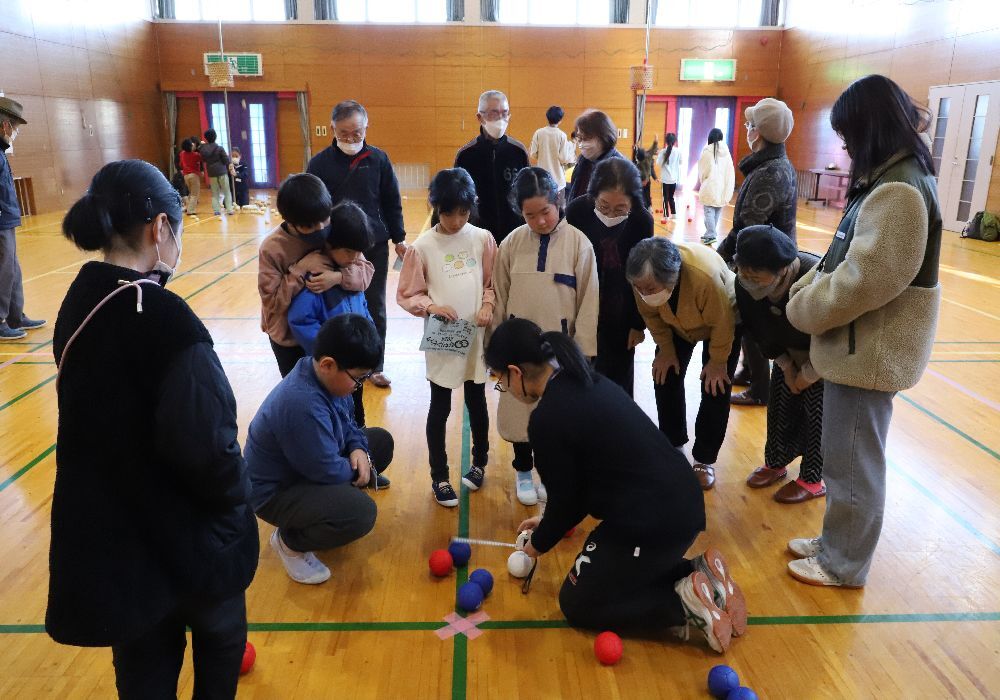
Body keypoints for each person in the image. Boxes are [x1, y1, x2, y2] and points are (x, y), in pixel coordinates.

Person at [49, 159, 258, 697]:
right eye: (178, 229)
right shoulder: (164, 318)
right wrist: (238, 497)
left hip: (118, 536)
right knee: (220, 640)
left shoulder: (79, 300)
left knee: (143, 667)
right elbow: (208, 447)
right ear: (160, 229)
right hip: (184, 533)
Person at [486, 319, 746, 654]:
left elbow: (566, 501)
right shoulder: (586, 380)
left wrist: (537, 544)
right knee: (616, 574)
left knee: (578, 603)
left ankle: (684, 605)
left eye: (500, 382)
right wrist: (547, 522)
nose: (504, 389)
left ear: (515, 372)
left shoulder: (547, 418)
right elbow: (580, 487)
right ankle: (701, 576)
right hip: (680, 506)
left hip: (651, 523)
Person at [785, 74, 941, 588]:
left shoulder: (900, 191)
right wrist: (807, 284)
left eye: (850, 136)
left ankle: (843, 563)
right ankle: (836, 543)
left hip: (870, 354)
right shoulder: (889, 178)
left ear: (871, 129)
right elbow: (842, 255)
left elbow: (861, 282)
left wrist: (804, 309)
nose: (845, 147)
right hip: (859, 349)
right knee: (845, 461)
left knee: (853, 467)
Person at [246, 314, 395, 586]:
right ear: (328, 364)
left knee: (380, 443)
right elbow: (323, 468)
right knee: (361, 513)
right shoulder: (301, 404)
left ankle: (332, 503)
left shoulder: (324, 376)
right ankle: (290, 542)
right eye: (358, 379)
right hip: (277, 492)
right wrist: (356, 473)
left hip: (310, 465)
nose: (358, 386)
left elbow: (349, 422)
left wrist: (358, 449)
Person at [492, 167, 598, 506]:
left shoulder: (579, 244)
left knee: (558, 420)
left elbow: (588, 302)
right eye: (530, 215)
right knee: (520, 412)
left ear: (559, 200)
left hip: (560, 354)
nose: (539, 221)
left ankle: (552, 475)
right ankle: (523, 470)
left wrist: (582, 353)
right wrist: (495, 351)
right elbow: (499, 296)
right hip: (518, 351)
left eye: (545, 212)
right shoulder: (510, 244)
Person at [397, 168, 496, 507]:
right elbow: (409, 292)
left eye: (464, 212)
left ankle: (480, 461)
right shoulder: (422, 246)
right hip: (443, 336)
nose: (456, 220)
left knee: (477, 400)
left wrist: (487, 305)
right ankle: (439, 475)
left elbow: (492, 284)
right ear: (436, 207)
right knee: (439, 407)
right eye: (449, 212)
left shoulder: (482, 238)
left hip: (477, 335)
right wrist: (431, 306)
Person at [626, 237, 739, 490]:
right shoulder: (641, 278)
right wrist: (665, 350)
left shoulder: (704, 277)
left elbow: (723, 323)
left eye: (650, 288)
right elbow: (650, 315)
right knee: (664, 375)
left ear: (672, 277)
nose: (644, 293)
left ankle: (704, 459)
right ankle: (673, 446)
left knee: (715, 386)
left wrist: (718, 362)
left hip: (723, 324)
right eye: (639, 288)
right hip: (676, 326)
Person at [308, 100, 407, 389]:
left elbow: (392, 201)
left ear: (366, 127)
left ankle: (375, 365)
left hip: (373, 244)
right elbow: (314, 206)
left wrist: (399, 238)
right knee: (337, 305)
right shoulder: (319, 163)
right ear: (332, 129)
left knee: (374, 305)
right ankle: (340, 363)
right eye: (344, 133)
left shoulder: (378, 159)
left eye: (357, 132)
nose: (352, 139)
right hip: (333, 247)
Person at [734, 225, 825, 504]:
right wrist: (786, 368)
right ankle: (776, 462)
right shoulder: (744, 282)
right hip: (786, 350)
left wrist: (808, 374)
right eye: (743, 271)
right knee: (780, 406)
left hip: (824, 357)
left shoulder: (816, 279)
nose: (746, 279)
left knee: (816, 413)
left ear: (783, 270)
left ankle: (813, 478)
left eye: (755, 274)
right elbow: (757, 328)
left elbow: (835, 337)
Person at [718, 98, 798, 408]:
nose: (747, 130)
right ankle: (749, 371)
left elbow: (749, 227)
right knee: (751, 319)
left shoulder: (771, 172)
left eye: (750, 125)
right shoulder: (769, 165)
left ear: (758, 132)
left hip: (764, 263)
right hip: (762, 257)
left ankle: (760, 389)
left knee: (753, 322)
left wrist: (719, 256)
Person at [258, 174, 371, 378]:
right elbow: (272, 303)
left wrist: (338, 277)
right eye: (309, 226)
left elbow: (365, 271)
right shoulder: (273, 248)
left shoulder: (334, 225)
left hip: (332, 335)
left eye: (323, 221)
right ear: (290, 221)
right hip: (290, 342)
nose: (320, 230)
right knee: (303, 396)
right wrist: (300, 269)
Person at [566, 158, 652, 396]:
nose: (610, 214)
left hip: (621, 312)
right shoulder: (577, 211)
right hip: (581, 306)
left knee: (618, 383)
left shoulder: (641, 221)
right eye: (603, 206)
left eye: (620, 208)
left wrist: (637, 324)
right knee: (580, 377)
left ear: (633, 202)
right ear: (593, 195)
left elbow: (643, 277)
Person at [287, 201, 376, 427]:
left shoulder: (351, 273)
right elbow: (300, 319)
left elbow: (363, 308)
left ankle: (360, 441)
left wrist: (370, 335)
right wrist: (331, 351)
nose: (355, 257)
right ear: (328, 243)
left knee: (357, 414)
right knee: (334, 415)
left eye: (358, 251)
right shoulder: (317, 278)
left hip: (355, 364)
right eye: (348, 251)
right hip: (336, 369)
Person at [454, 90, 530, 245]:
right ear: (479, 117)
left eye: (505, 113)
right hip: (478, 236)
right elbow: (459, 198)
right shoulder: (465, 155)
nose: (501, 119)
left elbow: (527, 192)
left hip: (514, 234)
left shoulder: (518, 151)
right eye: (494, 113)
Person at [0, 97, 45, 341]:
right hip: (0, 221)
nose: (15, 132)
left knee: (12, 270)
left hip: (6, 219)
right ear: (5, 126)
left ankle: (16, 316)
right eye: (15, 127)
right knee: (3, 270)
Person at [564, 110, 625, 204]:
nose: (582, 144)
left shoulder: (620, 167)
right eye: (580, 139)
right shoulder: (583, 161)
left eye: (587, 138)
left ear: (604, 137)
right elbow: (574, 195)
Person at [529, 105, 575, 207]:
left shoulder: (539, 132)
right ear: (560, 120)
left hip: (542, 179)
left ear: (547, 117)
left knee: (543, 208)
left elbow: (533, 154)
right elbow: (564, 159)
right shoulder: (562, 135)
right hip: (558, 180)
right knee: (558, 210)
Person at [697, 128, 735, 244]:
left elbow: (703, 169)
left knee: (709, 210)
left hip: (711, 185)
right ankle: (709, 233)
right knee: (717, 209)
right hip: (723, 186)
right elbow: (730, 170)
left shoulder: (708, 151)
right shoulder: (726, 152)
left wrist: (703, 180)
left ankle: (711, 234)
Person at [198, 129, 234, 216]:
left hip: (211, 173)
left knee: (215, 193)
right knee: (226, 191)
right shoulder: (220, 148)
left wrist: (202, 146)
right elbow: (226, 160)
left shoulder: (203, 149)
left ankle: (216, 211)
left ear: (206, 138)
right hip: (222, 172)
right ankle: (229, 210)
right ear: (215, 137)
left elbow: (203, 160)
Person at [657, 133, 681, 219]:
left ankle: (666, 215)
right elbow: (680, 162)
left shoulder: (663, 151)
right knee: (671, 197)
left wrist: (659, 154)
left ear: (666, 141)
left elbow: (658, 163)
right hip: (674, 179)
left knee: (665, 198)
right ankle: (674, 214)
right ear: (675, 141)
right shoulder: (678, 151)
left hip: (665, 179)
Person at [178, 138, 202, 217]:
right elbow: (202, 158)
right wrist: (200, 147)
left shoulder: (182, 153)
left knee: (191, 193)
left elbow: (181, 164)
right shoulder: (195, 155)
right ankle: (190, 210)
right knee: (195, 194)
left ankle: (188, 207)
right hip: (194, 175)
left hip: (185, 176)